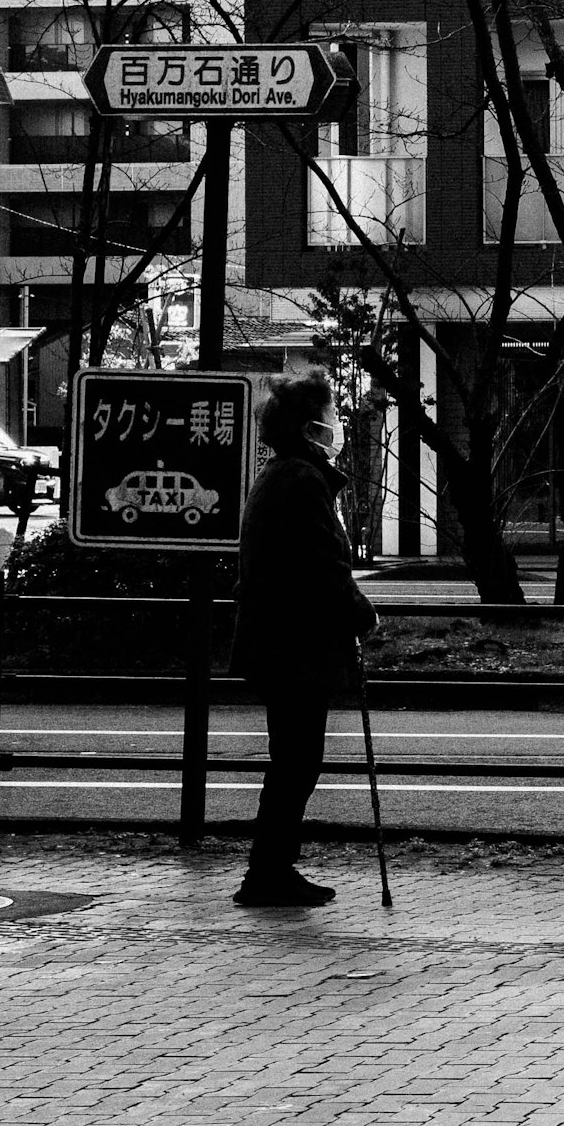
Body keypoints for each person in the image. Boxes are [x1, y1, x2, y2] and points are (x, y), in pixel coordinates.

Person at [228, 376, 377, 911]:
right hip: (295, 644)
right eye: (330, 413)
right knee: (296, 760)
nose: (337, 425)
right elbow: (322, 566)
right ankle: (268, 871)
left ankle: (271, 867)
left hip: (279, 642)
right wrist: (362, 614)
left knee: (292, 758)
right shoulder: (302, 480)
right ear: (309, 425)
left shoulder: (282, 475)